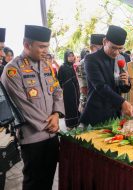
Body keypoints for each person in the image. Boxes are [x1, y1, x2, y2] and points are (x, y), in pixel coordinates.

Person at [1, 25, 64, 190]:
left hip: (51, 134)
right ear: (27, 44)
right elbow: (23, 106)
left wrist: (56, 114)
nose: (45, 50)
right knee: (34, 182)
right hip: (32, 137)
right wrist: (50, 124)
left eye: (47, 46)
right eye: (41, 46)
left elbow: (57, 90)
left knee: (48, 178)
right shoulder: (13, 70)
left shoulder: (46, 66)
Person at [80, 25, 133, 126]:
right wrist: (122, 102)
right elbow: (100, 86)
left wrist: (126, 82)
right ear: (105, 41)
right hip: (97, 114)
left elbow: (122, 88)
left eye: (120, 49)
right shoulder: (91, 59)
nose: (116, 52)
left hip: (115, 114)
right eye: (113, 48)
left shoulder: (120, 58)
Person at [57, 50, 80, 128]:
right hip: (67, 91)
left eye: (72, 56)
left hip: (75, 90)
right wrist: (64, 87)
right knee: (69, 106)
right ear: (65, 57)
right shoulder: (62, 67)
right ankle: (70, 124)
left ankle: (77, 122)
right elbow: (59, 80)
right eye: (69, 56)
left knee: (76, 105)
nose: (71, 57)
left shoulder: (73, 66)